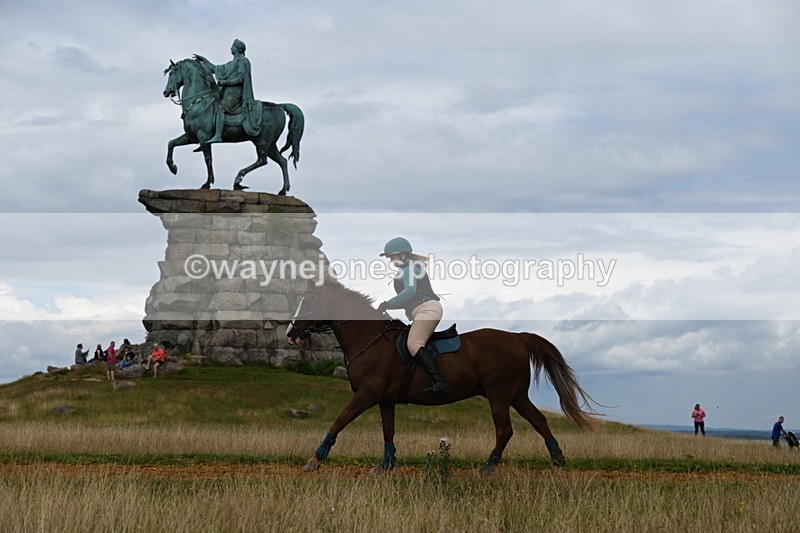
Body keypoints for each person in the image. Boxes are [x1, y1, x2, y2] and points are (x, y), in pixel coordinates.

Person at [376, 237, 449, 394]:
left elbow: (410, 291)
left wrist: (387, 304)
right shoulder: (407, 269)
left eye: (393, 256)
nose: (391, 259)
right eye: (389, 257)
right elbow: (406, 301)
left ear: (403, 254)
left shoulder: (410, 269)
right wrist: (385, 308)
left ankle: (440, 382)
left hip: (427, 309)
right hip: (421, 310)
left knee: (414, 344)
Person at [193, 39, 263, 147]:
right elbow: (215, 69)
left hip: (235, 94)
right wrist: (204, 61)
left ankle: (218, 135)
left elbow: (240, 79)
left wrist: (224, 82)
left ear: (238, 48)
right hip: (227, 93)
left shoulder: (242, 61)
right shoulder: (230, 64)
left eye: (232, 46)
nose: (231, 48)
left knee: (220, 108)